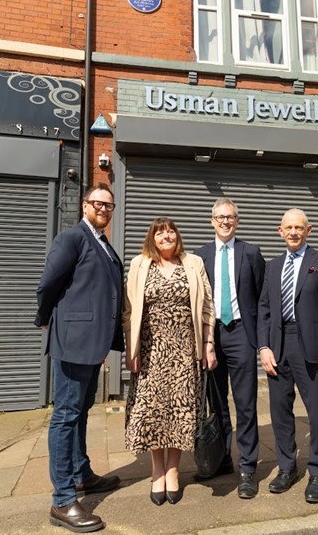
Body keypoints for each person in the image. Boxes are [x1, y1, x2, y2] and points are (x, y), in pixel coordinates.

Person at [34, 183, 124, 533]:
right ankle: (62, 500)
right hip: (73, 341)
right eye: (97, 203)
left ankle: (81, 474)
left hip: (91, 343)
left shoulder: (101, 242)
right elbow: (48, 284)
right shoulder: (72, 238)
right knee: (66, 415)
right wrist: (46, 319)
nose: (103, 208)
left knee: (81, 411)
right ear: (85, 205)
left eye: (108, 204)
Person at [123, 217, 217, 506]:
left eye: (170, 231)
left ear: (178, 236)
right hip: (151, 351)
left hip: (185, 350)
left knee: (180, 412)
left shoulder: (193, 262)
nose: (166, 236)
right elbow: (128, 311)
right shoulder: (140, 264)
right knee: (153, 411)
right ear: (152, 238)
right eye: (160, 232)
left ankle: (174, 471)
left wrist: (209, 344)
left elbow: (207, 306)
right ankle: (157, 471)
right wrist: (131, 349)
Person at [258, 208, 318, 503]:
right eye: (288, 227)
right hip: (278, 347)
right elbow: (264, 311)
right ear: (279, 231)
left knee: (317, 411)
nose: (293, 232)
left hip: (313, 349)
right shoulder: (272, 266)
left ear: (309, 230)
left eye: (299, 227)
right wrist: (264, 347)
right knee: (280, 413)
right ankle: (287, 467)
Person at [195, 198, 265, 499]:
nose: (225, 221)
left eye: (231, 217)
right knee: (217, 402)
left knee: (246, 403)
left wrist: (262, 342)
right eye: (220, 217)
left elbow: (263, 301)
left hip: (241, 334)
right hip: (212, 336)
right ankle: (223, 459)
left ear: (237, 221)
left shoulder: (251, 253)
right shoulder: (199, 256)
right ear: (212, 220)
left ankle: (248, 468)